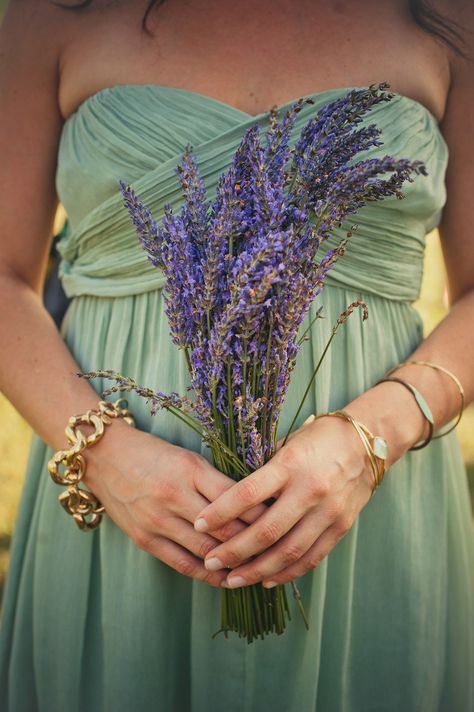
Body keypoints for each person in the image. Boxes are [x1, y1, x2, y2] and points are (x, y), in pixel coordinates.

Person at [0, 0, 473, 710]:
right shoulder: (49, 14)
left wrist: (369, 440)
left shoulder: (449, 20)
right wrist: (102, 455)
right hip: (116, 512)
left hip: (372, 509)